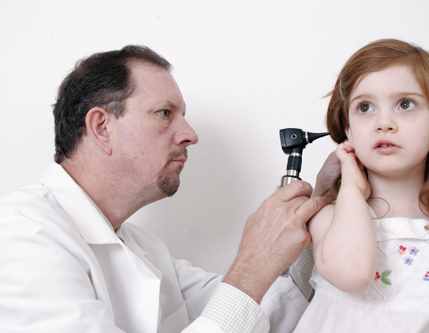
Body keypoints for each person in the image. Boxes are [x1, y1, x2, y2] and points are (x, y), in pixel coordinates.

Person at [0, 45, 334, 332]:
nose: (190, 134)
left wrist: (318, 204)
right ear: (102, 127)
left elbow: (257, 316)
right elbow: (244, 292)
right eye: (164, 113)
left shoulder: (147, 249)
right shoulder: (23, 235)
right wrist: (252, 263)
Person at [294, 39, 429, 332]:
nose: (383, 122)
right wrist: (351, 186)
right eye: (365, 107)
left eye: (405, 104)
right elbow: (353, 273)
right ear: (348, 131)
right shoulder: (327, 217)